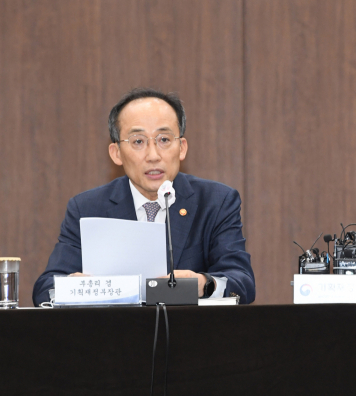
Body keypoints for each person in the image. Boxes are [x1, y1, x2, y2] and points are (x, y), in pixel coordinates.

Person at [33, 88, 255, 305]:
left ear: (182, 148)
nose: (153, 155)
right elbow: (45, 290)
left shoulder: (216, 202)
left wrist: (204, 284)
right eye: (138, 141)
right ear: (116, 153)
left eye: (164, 140)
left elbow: (242, 283)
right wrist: (71, 288)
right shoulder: (87, 208)